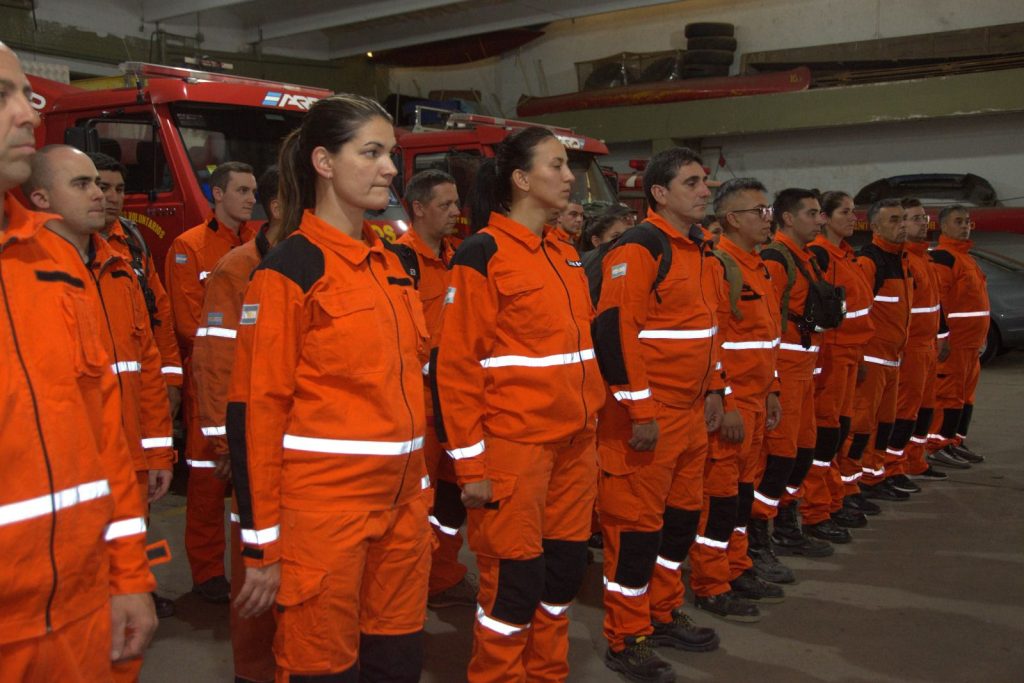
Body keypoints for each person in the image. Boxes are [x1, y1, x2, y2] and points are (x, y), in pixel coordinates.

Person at [228, 94, 430, 682]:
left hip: (401, 518)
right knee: (324, 671)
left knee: (395, 665)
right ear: (323, 161)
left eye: (391, 153)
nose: (390, 169)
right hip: (325, 523)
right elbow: (255, 413)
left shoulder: (393, 266)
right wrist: (262, 547)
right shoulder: (289, 271)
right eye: (371, 153)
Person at [0, 42, 156, 680]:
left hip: (82, 612)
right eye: (0, 96)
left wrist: (129, 575)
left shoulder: (56, 266)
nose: (26, 116)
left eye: (24, 95)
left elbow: (101, 437)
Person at [433, 126, 606, 683]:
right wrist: (471, 466)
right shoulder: (483, 254)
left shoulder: (564, 252)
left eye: (568, 166)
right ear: (521, 179)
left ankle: (546, 674)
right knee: (513, 585)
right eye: (556, 166)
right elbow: (457, 369)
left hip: (575, 446)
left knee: (560, 579)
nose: (569, 177)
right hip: (516, 451)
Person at [24, 144, 174, 682]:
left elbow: (147, 362)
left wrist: (157, 445)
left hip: (123, 457)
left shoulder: (120, 263)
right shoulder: (27, 278)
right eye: (83, 184)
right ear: (39, 197)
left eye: (101, 183)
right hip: (63, 486)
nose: (101, 195)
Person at [592, 146, 723, 683]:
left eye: (706, 181)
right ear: (660, 194)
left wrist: (715, 389)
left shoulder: (697, 248)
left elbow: (707, 329)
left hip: (691, 415)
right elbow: (614, 332)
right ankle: (627, 637)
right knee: (636, 533)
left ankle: (663, 611)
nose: (705, 190)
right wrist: (641, 409)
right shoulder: (641, 247)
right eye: (692, 182)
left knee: (679, 523)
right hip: (646, 420)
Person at [191, 166, 283, 683]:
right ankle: (252, 672)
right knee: (254, 572)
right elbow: (215, 359)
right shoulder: (237, 268)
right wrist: (224, 440)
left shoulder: (319, 262)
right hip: (251, 445)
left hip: (301, 446)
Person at [688, 178, 784, 623]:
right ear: (731, 219)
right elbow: (716, 341)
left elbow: (768, 338)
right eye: (758, 212)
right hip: (734, 405)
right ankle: (710, 582)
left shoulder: (760, 267)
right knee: (721, 498)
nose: (768, 219)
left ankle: (737, 565)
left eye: (767, 211)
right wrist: (723, 401)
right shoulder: (719, 265)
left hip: (758, 401)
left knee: (744, 494)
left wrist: (775, 390)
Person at [165, 161, 258, 603]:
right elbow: (188, 324)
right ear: (217, 194)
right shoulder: (189, 246)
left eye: (254, 190)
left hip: (249, 386)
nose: (250, 198)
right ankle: (205, 577)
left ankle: (250, 571)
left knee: (248, 490)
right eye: (241, 190)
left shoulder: (259, 247)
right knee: (205, 489)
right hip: (206, 383)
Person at [396, 169, 478, 609]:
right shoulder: (399, 261)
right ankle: (412, 585)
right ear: (419, 208)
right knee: (417, 502)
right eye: (444, 205)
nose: (454, 213)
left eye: (456, 204)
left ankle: (442, 575)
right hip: (421, 406)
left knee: (452, 499)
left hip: (460, 404)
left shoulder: (461, 257)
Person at [750, 189, 833, 579]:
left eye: (820, 213)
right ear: (786, 218)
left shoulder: (808, 259)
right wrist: (775, 382)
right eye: (812, 213)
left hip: (806, 369)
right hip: (784, 369)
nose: (820, 220)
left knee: (802, 452)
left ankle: (785, 523)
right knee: (778, 458)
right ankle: (757, 537)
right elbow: (767, 323)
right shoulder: (777, 259)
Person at [804, 191, 880, 536]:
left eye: (854, 211)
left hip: (850, 354)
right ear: (825, 218)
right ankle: (816, 508)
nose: (853, 217)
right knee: (826, 433)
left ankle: (836, 495)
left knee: (842, 429)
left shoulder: (846, 256)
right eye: (845, 212)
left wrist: (860, 355)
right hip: (831, 356)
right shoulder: (820, 255)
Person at [90, 152, 183, 420]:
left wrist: (171, 378)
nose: (112, 197)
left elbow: (160, 313)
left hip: (142, 385)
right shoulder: (72, 245)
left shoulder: (133, 241)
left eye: (119, 189)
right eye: (103, 187)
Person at [845, 199, 913, 501]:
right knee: (861, 426)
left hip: (893, 359)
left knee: (885, 424)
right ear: (875, 226)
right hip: (871, 359)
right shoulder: (869, 262)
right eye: (894, 220)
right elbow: (857, 314)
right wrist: (859, 356)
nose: (902, 225)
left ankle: (874, 475)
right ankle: (850, 483)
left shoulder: (903, 259)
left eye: (903, 219)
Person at [883, 198, 948, 486]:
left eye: (923, 218)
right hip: (909, 348)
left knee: (925, 409)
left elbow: (935, 305)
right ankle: (893, 467)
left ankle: (915, 460)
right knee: (903, 411)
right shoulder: (902, 260)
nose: (922, 223)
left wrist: (941, 335)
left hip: (928, 347)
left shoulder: (924, 258)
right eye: (914, 218)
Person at [926, 205, 989, 467]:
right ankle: (938, 444)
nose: (965, 226)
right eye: (958, 221)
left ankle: (955, 440)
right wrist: (943, 336)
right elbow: (937, 300)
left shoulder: (966, 258)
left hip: (972, 345)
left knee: (965, 397)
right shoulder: (943, 258)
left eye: (967, 222)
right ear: (943, 226)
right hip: (954, 344)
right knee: (948, 395)